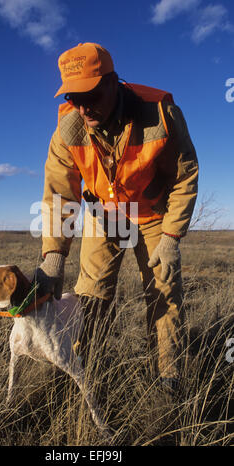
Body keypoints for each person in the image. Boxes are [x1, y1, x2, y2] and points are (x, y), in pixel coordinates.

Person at [35, 42, 198, 390]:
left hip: (154, 215)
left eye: (89, 94)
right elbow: (60, 192)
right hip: (103, 215)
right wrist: (53, 257)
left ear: (112, 82)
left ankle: (170, 379)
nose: (81, 107)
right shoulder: (68, 129)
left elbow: (185, 175)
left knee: (164, 292)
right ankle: (79, 372)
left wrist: (171, 237)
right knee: (89, 297)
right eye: (72, 98)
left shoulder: (162, 114)